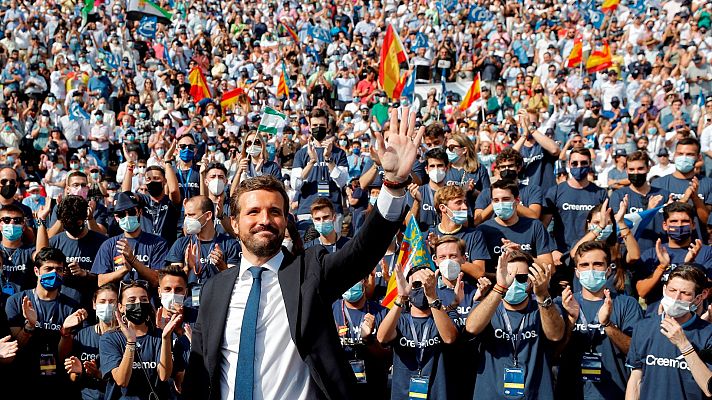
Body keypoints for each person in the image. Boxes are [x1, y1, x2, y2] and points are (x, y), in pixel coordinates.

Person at [183, 108, 422, 400]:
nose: (264, 219)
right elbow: (199, 375)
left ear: (285, 221)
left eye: (274, 212)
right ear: (234, 222)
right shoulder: (215, 289)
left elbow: (361, 253)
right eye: (253, 211)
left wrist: (394, 184)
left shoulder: (310, 272)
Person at [466, 249, 565, 399]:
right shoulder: (489, 306)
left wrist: (542, 294)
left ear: (531, 280)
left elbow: (556, 335)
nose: (513, 282)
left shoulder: (544, 306)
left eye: (521, 278)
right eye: (509, 276)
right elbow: (472, 328)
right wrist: (500, 287)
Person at [556, 241, 643, 399]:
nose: (591, 270)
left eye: (597, 264)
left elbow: (636, 352)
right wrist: (570, 320)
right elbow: (554, 353)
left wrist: (608, 325)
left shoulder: (627, 304)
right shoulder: (563, 303)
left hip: (614, 393)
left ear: (608, 270)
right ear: (576, 272)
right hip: (571, 392)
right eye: (584, 265)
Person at [4, 247, 83, 398]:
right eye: (48, 268)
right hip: (22, 375)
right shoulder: (16, 301)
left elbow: (65, 355)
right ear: (36, 271)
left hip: (57, 378)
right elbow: (15, 348)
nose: (54, 273)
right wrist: (29, 326)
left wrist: (65, 334)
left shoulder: (72, 305)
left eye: (59, 270)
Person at [626, 265, 712, 399]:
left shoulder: (707, 333)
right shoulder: (643, 327)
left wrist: (684, 345)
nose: (677, 297)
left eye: (685, 293)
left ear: (698, 298)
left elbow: (709, 388)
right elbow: (636, 379)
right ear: (664, 289)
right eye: (672, 290)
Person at [377, 264, 458, 400]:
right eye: (416, 284)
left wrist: (432, 296)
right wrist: (401, 298)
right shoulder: (400, 319)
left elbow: (449, 338)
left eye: (426, 283)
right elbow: (382, 338)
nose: (422, 288)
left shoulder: (447, 316)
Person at [99, 280, 182, 400]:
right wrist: (130, 342)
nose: (138, 303)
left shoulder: (160, 336)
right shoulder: (109, 338)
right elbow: (122, 381)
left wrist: (165, 338)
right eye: (132, 300)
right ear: (120, 307)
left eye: (144, 300)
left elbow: (164, 375)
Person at [165, 196, 241, 307]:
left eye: (191, 215)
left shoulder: (230, 244)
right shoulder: (181, 244)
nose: (187, 220)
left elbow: (236, 283)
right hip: (188, 307)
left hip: (218, 305)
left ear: (208, 216)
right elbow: (172, 283)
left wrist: (222, 267)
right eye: (185, 215)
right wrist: (187, 267)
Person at [635, 201, 712, 304]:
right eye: (674, 221)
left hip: (693, 316)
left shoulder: (706, 252)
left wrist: (690, 265)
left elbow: (708, 291)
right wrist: (662, 267)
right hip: (657, 316)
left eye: (684, 221)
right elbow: (642, 292)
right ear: (665, 225)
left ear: (693, 225)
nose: (679, 225)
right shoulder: (652, 254)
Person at [543, 148, 608, 263]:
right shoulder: (555, 191)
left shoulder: (600, 193)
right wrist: (552, 249)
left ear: (590, 164)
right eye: (575, 163)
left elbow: (606, 226)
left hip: (590, 255)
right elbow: (543, 225)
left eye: (583, 163)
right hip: (561, 255)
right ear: (569, 164)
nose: (579, 166)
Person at [91, 192, 168, 288]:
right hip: (120, 301)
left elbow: (159, 280)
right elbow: (100, 281)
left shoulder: (158, 243)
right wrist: (124, 269)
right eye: (122, 214)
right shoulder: (109, 245)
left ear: (139, 212)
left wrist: (133, 260)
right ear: (116, 217)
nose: (127, 217)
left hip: (147, 300)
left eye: (131, 212)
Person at [477, 179, 554, 275]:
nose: (500, 204)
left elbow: (550, 267)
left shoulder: (535, 226)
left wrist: (522, 254)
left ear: (517, 200)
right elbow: (480, 272)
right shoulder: (483, 230)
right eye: (496, 200)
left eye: (506, 199)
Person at [291, 108, 350, 232]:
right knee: (307, 249)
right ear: (310, 128)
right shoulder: (302, 153)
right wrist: (311, 162)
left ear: (327, 126)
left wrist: (328, 159)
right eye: (315, 125)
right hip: (307, 210)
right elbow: (295, 184)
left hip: (332, 211)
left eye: (322, 125)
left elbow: (342, 182)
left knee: (333, 249)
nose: (319, 128)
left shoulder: (339, 153)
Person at [332, 278, 389, 399]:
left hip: (374, 390)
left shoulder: (382, 313)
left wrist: (369, 340)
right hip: (341, 390)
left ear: (364, 281)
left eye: (354, 278)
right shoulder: (329, 312)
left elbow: (388, 357)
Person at [63, 284, 119, 400]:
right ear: (94, 304)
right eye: (102, 301)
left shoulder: (125, 336)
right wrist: (78, 372)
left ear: (119, 305)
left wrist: (98, 374)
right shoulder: (83, 335)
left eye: (112, 301)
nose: (107, 306)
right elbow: (73, 376)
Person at [609, 150, 670, 252]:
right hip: (630, 254)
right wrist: (649, 211)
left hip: (660, 252)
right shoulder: (619, 195)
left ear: (648, 168)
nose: (636, 173)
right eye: (631, 169)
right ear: (626, 170)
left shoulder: (663, 195)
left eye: (640, 168)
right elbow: (619, 229)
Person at [427, 184, 489, 278]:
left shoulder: (474, 235)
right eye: (458, 202)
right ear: (443, 208)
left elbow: (479, 272)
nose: (465, 207)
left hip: (467, 290)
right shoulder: (428, 235)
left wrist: (449, 258)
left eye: (465, 202)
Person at [123, 148, 181, 247]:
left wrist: (167, 161)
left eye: (156, 178)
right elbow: (125, 194)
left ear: (165, 181)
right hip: (145, 248)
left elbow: (174, 190)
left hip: (167, 249)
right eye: (148, 179)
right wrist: (130, 167)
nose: (152, 182)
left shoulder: (170, 201)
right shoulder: (143, 199)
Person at [475, 148, 543, 222]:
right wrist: (496, 203)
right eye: (503, 167)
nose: (506, 169)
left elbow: (535, 216)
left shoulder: (532, 190)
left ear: (519, 168)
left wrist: (510, 204)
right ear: (498, 169)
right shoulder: (486, 193)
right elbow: (477, 220)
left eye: (510, 166)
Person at [407, 148, 452, 231]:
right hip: (422, 240)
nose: (436, 169)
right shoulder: (416, 191)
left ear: (447, 168)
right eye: (432, 166)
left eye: (440, 165)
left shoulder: (454, 194)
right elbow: (408, 225)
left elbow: (464, 223)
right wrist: (417, 202)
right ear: (426, 170)